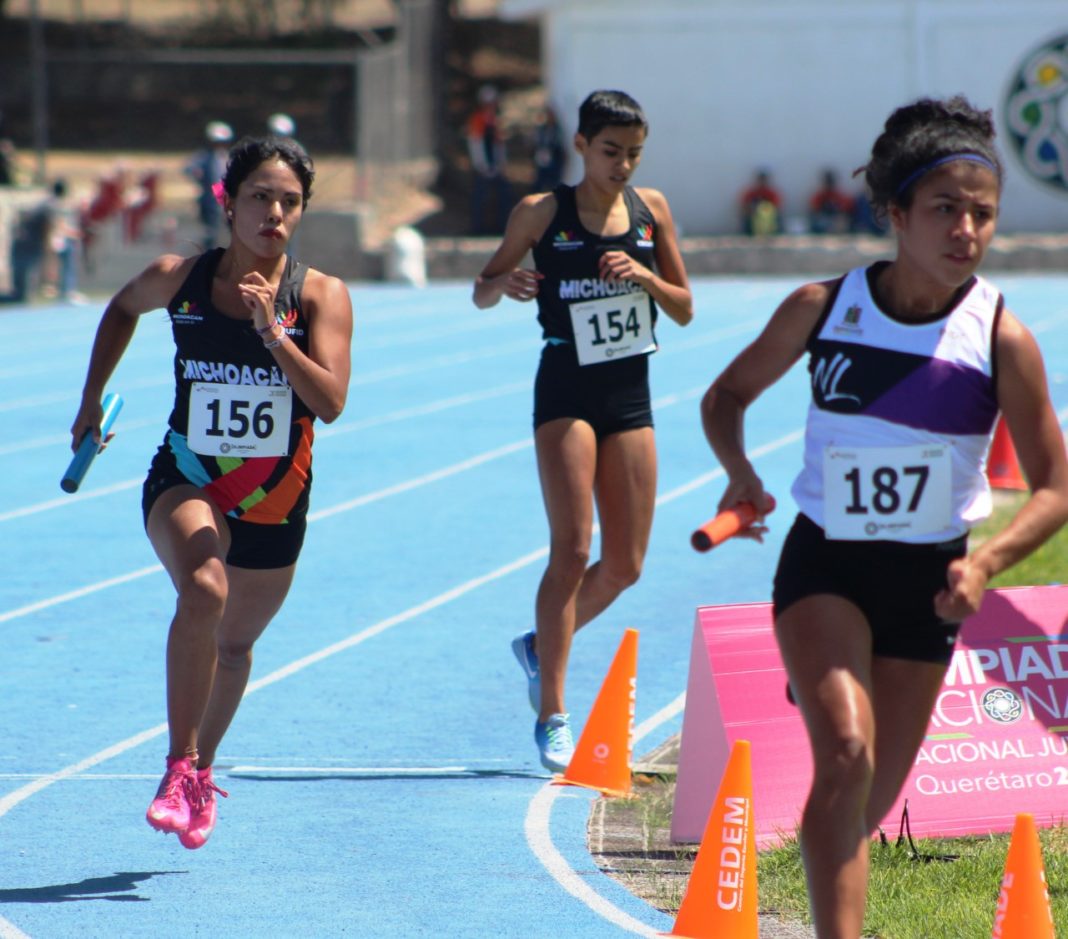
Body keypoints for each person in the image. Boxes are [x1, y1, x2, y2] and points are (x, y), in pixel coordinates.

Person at [699, 95, 1068, 938]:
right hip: (825, 562)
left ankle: (824, 866)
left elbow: (1054, 487)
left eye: (983, 214)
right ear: (895, 213)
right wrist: (740, 474)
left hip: (930, 583)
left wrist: (985, 564)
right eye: (946, 209)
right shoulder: (821, 307)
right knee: (848, 754)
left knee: (860, 801)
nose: (966, 230)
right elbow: (726, 396)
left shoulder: (1002, 336)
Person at [69, 135, 353, 850]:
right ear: (230, 202)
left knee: (234, 647)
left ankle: (201, 770)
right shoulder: (182, 278)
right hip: (187, 475)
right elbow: (122, 308)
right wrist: (91, 399)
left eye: (290, 202)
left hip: (276, 499)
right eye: (261, 196)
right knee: (203, 589)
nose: (275, 213)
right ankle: (175, 765)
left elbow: (331, 402)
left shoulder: (318, 295)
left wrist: (274, 335)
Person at [473, 90, 693, 771]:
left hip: (629, 391)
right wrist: (507, 281)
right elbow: (482, 286)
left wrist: (646, 279)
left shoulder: (651, 210)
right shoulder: (543, 211)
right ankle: (553, 711)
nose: (622, 165)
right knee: (572, 548)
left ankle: (542, 644)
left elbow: (684, 308)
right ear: (580, 146)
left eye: (633, 153)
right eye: (610, 152)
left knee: (626, 564)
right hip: (565, 387)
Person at [466, 84, 513, 234]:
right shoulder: (477, 119)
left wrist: (500, 164)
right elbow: (476, 144)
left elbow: (499, 144)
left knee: (504, 196)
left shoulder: (495, 121)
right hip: (483, 168)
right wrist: (482, 165)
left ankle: (501, 226)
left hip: (496, 167)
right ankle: (478, 228)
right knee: (480, 198)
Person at [185, 121, 234, 251]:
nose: (219, 145)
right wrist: (197, 174)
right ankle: (208, 253)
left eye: (222, 142)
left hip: (226, 197)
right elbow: (189, 168)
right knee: (210, 231)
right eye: (216, 142)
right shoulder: (204, 157)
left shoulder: (230, 157)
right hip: (209, 198)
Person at [531, 104, 566, 194]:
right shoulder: (542, 129)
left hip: (553, 163)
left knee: (553, 185)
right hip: (542, 161)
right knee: (539, 185)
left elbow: (559, 147)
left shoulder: (557, 130)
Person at [807, 168, 854, 234]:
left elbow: (846, 211)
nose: (829, 185)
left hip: (837, 224)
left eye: (830, 182)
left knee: (841, 222)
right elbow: (814, 211)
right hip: (822, 224)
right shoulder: (818, 196)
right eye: (827, 182)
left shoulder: (840, 196)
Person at [739, 168, 782, 235]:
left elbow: (777, 206)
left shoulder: (771, 193)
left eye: (764, 180)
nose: (762, 183)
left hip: (768, 218)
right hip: (753, 217)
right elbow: (744, 205)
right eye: (760, 180)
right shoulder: (752, 192)